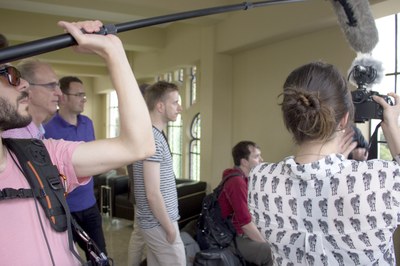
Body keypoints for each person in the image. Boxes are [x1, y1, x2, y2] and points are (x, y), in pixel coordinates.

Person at [0, 20, 155, 265]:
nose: (24, 85)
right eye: (9, 75)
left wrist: (113, 51)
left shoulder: (39, 154)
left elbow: (139, 145)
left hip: (84, 205)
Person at [248, 61, 400, 265]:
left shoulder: (260, 180)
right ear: (345, 120)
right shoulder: (381, 180)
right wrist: (392, 125)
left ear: (290, 120)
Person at [43, 76, 107, 260]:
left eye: (84, 95)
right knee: (68, 259)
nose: (83, 99)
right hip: (64, 209)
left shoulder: (88, 122)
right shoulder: (46, 128)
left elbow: (93, 158)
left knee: (100, 257)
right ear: (62, 97)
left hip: (90, 204)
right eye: (78, 94)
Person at [131, 80, 185, 266]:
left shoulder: (153, 135)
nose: (180, 108)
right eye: (175, 102)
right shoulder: (152, 138)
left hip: (157, 223)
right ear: (160, 106)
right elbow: (152, 193)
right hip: (159, 224)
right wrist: (169, 228)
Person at [218, 141, 272, 266]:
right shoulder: (237, 182)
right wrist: (264, 242)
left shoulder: (244, 178)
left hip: (239, 233)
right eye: (257, 156)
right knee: (271, 252)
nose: (261, 160)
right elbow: (245, 223)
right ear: (244, 162)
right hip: (231, 236)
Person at [2, 58, 62, 139]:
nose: (60, 93)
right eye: (51, 85)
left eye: (58, 86)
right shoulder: (15, 136)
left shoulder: (38, 131)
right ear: (27, 89)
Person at [127, 83, 150, 266]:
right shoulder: (137, 126)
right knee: (139, 235)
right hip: (143, 193)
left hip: (147, 192)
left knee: (143, 235)